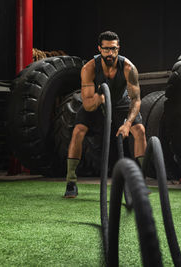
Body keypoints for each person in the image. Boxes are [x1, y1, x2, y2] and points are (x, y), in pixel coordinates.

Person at [64, 31, 146, 198]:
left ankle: (141, 182)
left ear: (118, 48)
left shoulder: (128, 68)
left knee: (139, 131)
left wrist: (127, 124)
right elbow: (86, 104)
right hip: (96, 102)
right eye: (106, 49)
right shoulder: (89, 68)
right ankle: (71, 182)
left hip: (120, 103)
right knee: (78, 130)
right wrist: (100, 98)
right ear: (99, 49)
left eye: (114, 49)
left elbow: (136, 100)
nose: (110, 53)